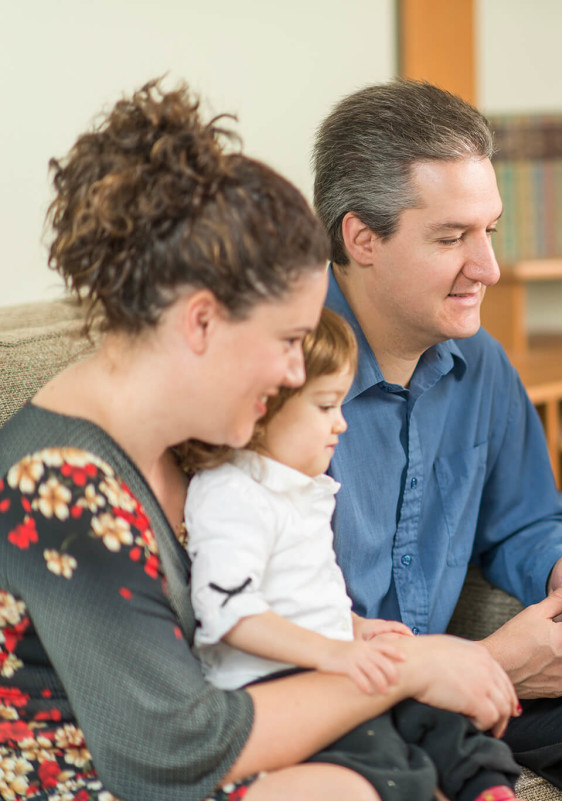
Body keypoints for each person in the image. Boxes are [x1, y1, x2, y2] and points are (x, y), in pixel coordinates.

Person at [0, 79, 518, 801]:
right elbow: (170, 751)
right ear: (202, 322)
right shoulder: (58, 485)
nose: (293, 371)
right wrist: (408, 668)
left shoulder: (192, 443)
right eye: (287, 340)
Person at [311, 79, 562, 801]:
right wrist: (492, 663)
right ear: (361, 238)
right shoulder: (288, 375)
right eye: (451, 237)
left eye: (489, 230)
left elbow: (528, 514)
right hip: (335, 703)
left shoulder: (479, 363)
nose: (488, 268)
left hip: (435, 691)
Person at [183, 307, 523, 801]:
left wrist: (355, 628)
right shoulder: (230, 493)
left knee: (435, 710)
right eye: (325, 406)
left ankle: (487, 785)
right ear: (262, 405)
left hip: (328, 665)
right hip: (276, 687)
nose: (341, 424)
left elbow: (305, 595)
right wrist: (333, 651)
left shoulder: (300, 489)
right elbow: (229, 613)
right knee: (383, 748)